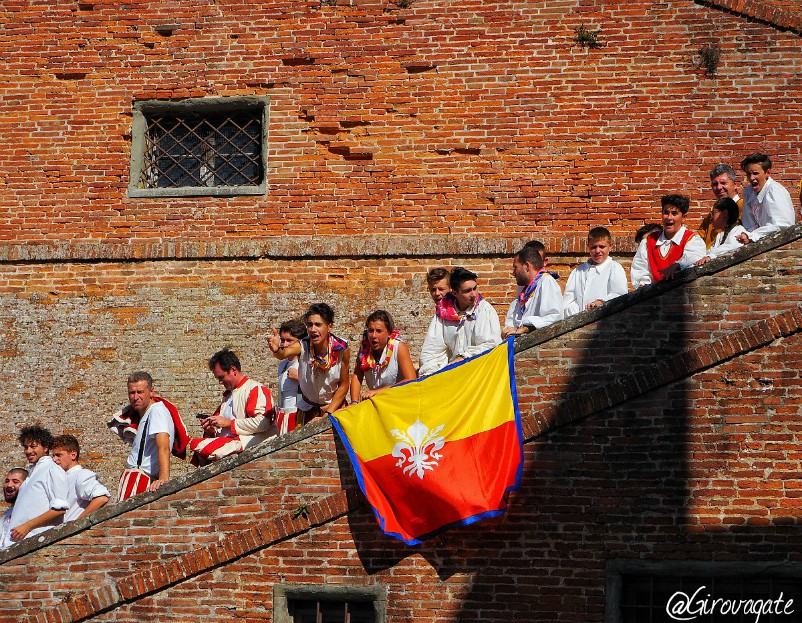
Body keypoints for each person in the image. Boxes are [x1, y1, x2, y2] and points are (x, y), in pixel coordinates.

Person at [268, 303, 351, 425]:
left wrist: (328, 414)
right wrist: (276, 349)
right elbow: (284, 353)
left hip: (334, 409)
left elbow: (344, 385)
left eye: (318, 325)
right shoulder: (303, 346)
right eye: (310, 325)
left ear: (329, 326)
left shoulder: (342, 348)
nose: (313, 329)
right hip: (307, 410)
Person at [190, 349, 276, 465]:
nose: (220, 382)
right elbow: (221, 428)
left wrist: (229, 423)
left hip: (246, 443)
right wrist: (211, 430)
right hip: (230, 442)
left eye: (221, 377)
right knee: (197, 447)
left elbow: (263, 423)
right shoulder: (228, 395)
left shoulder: (254, 389)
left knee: (202, 447)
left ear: (233, 370)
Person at [419, 267, 502, 375]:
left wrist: (463, 358)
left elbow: (492, 345)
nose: (473, 294)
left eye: (475, 288)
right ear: (454, 292)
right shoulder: (443, 314)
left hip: (480, 374)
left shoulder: (485, 310)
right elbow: (432, 350)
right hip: (454, 377)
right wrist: (433, 374)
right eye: (467, 291)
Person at [116, 372, 177, 501]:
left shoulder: (157, 411)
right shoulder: (147, 413)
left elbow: (163, 446)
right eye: (132, 393)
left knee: (126, 519)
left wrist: (164, 479)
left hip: (139, 478)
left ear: (151, 391)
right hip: (139, 478)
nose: (136, 397)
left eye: (140, 392)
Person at [8, 425, 69, 543]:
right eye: (26, 447)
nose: (28, 451)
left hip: (33, 542)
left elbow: (59, 509)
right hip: (16, 543)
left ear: (46, 447)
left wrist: (27, 526)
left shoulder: (52, 469)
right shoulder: (32, 473)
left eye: (33, 446)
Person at [630, 194, 706, 287]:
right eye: (666, 213)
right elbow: (640, 268)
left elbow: (694, 258)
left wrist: (678, 265)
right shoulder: (649, 241)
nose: (669, 218)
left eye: (674, 213)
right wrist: (644, 285)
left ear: (683, 217)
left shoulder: (692, 240)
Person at [350, 310, 417, 403]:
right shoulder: (364, 349)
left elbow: (411, 379)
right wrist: (354, 402)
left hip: (399, 401)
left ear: (389, 333)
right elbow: (357, 375)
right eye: (370, 331)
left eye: (379, 331)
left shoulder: (399, 347)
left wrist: (379, 392)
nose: (374, 335)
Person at [562, 227, 628, 316]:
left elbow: (620, 295)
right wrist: (577, 314)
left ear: (610, 246)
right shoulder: (578, 272)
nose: (597, 251)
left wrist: (601, 302)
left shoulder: (614, 268)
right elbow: (568, 301)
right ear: (588, 246)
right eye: (593, 247)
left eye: (602, 247)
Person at [502, 246, 563, 338]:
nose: (513, 273)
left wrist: (525, 328)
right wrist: (508, 332)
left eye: (515, 268)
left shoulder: (546, 281)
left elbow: (554, 317)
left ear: (526, 266)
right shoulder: (524, 291)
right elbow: (512, 322)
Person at [736, 153, 796, 244]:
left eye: (755, 173)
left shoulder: (774, 191)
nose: (751, 178)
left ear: (768, 173)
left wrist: (754, 235)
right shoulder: (748, 192)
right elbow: (748, 224)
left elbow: (783, 225)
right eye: (748, 174)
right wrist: (748, 235)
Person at [51, 435, 110, 522]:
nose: (54, 459)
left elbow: (101, 497)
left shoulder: (80, 474)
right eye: (53, 455)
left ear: (73, 455)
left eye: (58, 455)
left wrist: (77, 523)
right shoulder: (61, 477)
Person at [698, 164, 743, 248]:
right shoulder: (710, 217)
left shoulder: (743, 207)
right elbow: (698, 238)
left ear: (735, 184)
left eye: (723, 183)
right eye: (715, 184)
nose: (719, 187)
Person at [275, 319, 306, 435]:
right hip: (282, 415)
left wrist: (299, 377)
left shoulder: (305, 363)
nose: (285, 344)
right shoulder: (283, 365)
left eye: (289, 340)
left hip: (298, 414)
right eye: (282, 340)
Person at [695, 198, 746, 266]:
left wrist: (711, 256)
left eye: (713, 213)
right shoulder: (720, 235)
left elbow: (730, 247)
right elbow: (710, 251)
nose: (711, 217)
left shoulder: (739, 230)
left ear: (724, 213)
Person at [0, 469, 28, 549]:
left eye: (15, 482)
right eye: (7, 481)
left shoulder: (28, 510)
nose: (9, 485)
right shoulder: (7, 514)